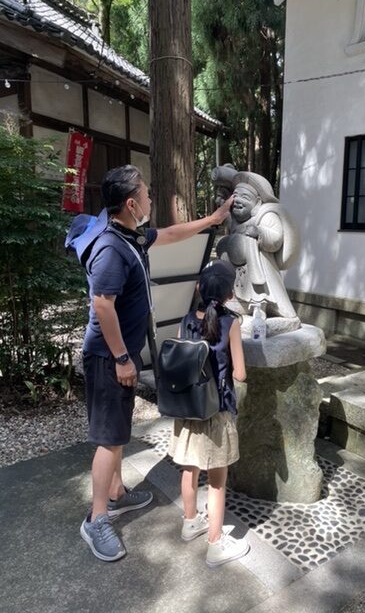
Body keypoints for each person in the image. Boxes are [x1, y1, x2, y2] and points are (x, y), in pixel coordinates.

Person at [77, 165, 233, 562]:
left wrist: (212, 220)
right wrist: (122, 358)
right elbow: (102, 305)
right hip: (108, 357)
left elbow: (170, 235)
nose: (150, 199)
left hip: (119, 354)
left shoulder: (130, 236)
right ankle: (96, 518)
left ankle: (116, 494)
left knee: (117, 432)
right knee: (108, 438)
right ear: (131, 204)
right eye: (145, 194)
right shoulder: (111, 249)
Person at [168, 260, 250, 568]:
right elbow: (240, 374)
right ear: (230, 294)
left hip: (188, 408)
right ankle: (215, 544)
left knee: (189, 469)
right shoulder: (231, 323)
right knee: (217, 481)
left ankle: (190, 522)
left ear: (199, 288)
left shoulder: (186, 319)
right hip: (217, 412)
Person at [215, 171, 300, 320]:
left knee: (249, 242)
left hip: (258, 267)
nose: (238, 200)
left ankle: (260, 305)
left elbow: (276, 239)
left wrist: (259, 232)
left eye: (245, 197)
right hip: (238, 271)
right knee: (224, 244)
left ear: (258, 202)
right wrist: (222, 203)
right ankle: (238, 301)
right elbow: (226, 220)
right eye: (235, 196)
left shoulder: (266, 215)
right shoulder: (236, 220)